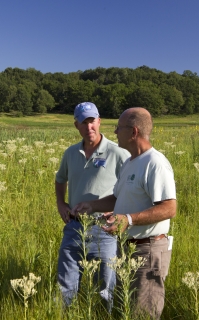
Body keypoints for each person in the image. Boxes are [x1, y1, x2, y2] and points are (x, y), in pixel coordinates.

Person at [72, 107, 177, 319]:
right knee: (125, 311)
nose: (115, 132)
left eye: (118, 128)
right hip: (127, 250)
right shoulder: (130, 162)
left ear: (134, 132)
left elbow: (169, 208)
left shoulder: (154, 163)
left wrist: (128, 219)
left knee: (142, 313)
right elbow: (117, 198)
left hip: (147, 252)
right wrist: (92, 206)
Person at [55, 102, 130, 308]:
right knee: (65, 284)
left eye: (92, 121)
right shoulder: (71, 153)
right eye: (83, 122)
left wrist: (119, 214)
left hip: (105, 228)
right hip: (74, 226)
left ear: (99, 122)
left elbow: (130, 190)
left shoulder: (118, 153)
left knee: (105, 287)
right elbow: (60, 179)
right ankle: (65, 313)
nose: (89, 127)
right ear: (76, 125)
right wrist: (61, 204)